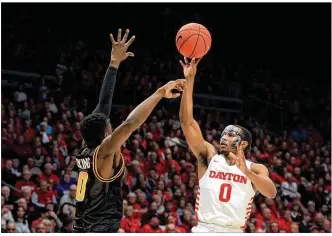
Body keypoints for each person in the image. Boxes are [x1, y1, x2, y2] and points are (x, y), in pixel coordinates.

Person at [73, 28, 187, 233]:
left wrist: (114, 64)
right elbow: (129, 124)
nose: (111, 123)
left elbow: (104, 102)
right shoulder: (104, 151)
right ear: (106, 134)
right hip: (98, 228)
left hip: (83, 223)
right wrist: (159, 92)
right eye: (108, 125)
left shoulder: (85, 146)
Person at [178, 57, 277, 233]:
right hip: (204, 229)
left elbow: (271, 193)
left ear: (243, 143)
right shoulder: (209, 156)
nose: (223, 137)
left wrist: (246, 173)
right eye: (223, 133)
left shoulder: (255, 168)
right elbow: (187, 123)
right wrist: (190, 79)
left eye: (231, 134)